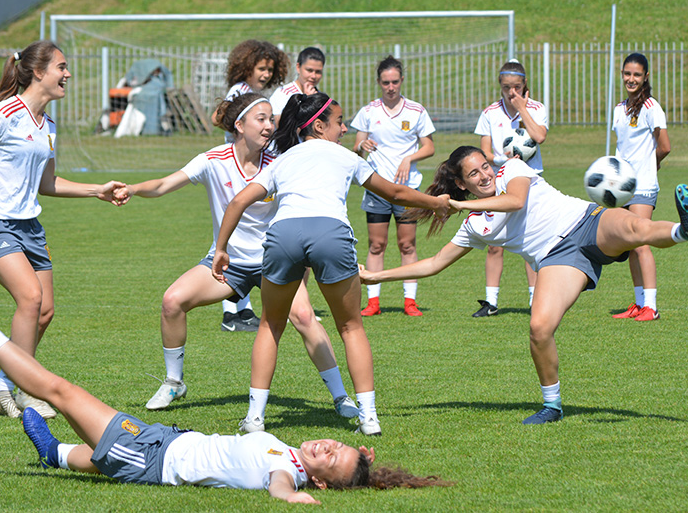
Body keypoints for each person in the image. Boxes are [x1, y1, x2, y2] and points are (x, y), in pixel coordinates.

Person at [0, 270, 450, 503]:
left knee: (61, 392)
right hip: (163, 441)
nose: (325, 446)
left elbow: (279, 488)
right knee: (94, 452)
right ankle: (52, 454)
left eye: (329, 460)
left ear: (318, 481)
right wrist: (359, 462)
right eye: (336, 446)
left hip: (148, 456)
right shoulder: (290, 453)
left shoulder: (286, 472)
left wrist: (295, 500)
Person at [359, 146, 688, 424]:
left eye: (485, 166)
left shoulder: (512, 168)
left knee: (635, 229)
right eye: (474, 174)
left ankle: (683, 230)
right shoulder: (475, 225)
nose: (484, 175)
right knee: (539, 328)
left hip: (586, 221)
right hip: (557, 259)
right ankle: (552, 405)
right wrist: (375, 276)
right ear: (462, 183)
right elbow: (434, 264)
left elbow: (516, 201)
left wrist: (460, 205)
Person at [212, 92, 450, 436]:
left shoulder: (283, 160)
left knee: (270, 326)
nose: (345, 129)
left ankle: (254, 419)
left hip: (283, 235)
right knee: (351, 327)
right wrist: (436, 203)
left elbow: (237, 202)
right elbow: (396, 194)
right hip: (331, 234)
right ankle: (369, 418)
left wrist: (221, 249)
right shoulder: (346, 157)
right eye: (340, 122)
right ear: (319, 126)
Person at [118, 94, 359, 420]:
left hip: (276, 260)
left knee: (304, 317)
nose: (269, 126)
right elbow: (163, 185)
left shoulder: (281, 161)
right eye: (261, 119)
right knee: (172, 301)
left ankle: (341, 397)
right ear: (240, 125)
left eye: (271, 119)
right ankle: (174, 382)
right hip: (228, 264)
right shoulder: (212, 160)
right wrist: (133, 189)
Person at [0, 41, 127, 420]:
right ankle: (28, 391)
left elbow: (47, 183)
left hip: (29, 227)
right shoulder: (5, 113)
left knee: (44, 311)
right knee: (30, 298)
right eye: (61, 67)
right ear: (37, 72)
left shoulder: (48, 126)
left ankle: (3, 388)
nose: (67, 74)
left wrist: (97, 190)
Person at [210, 40, 290, 332]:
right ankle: (230, 313)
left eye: (270, 69)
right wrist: (237, 134)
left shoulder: (254, 93)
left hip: (249, 166)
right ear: (246, 67)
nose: (266, 74)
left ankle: (242, 311)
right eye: (261, 68)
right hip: (235, 168)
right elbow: (217, 117)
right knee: (234, 237)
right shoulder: (239, 91)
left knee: (245, 236)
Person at [351, 56, 435, 317]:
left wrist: (409, 158)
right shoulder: (368, 112)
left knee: (407, 245)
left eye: (395, 82)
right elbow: (356, 148)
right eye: (386, 82)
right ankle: (373, 302)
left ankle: (410, 302)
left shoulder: (416, 111)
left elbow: (429, 147)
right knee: (376, 245)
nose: (390, 87)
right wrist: (361, 146)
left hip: (407, 189)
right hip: (377, 188)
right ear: (379, 82)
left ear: (402, 81)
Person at [472, 59, 549, 318]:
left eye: (516, 87)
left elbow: (539, 136)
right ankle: (491, 302)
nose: (511, 92)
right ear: (500, 85)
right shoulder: (490, 113)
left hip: (530, 180)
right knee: (495, 243)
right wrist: (502, 158)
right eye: (506, 87)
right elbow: (484, 151)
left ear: (525, 84)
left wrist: (521, 108)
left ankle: (535, 299)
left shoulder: (536, 108)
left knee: (531, 240)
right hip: (500, 180)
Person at [610, 53, 672, 322]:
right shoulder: (618, 109)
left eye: (636, 74)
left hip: (644, 185)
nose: (631, 79)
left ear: (646, 77)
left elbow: (665, 146)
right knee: (631, 243)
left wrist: (651, 164)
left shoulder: (650, 107)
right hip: (623, 187)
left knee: (641, 242)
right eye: (627, 73)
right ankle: (638, 303)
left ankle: (652, 307)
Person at [269, 47, 325, 126]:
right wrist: (307, 102)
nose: (313, 76)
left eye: (318, 72)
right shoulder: (283, 94)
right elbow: (282, 127)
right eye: (309, 70)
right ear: (298, 67)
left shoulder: (321, 97)